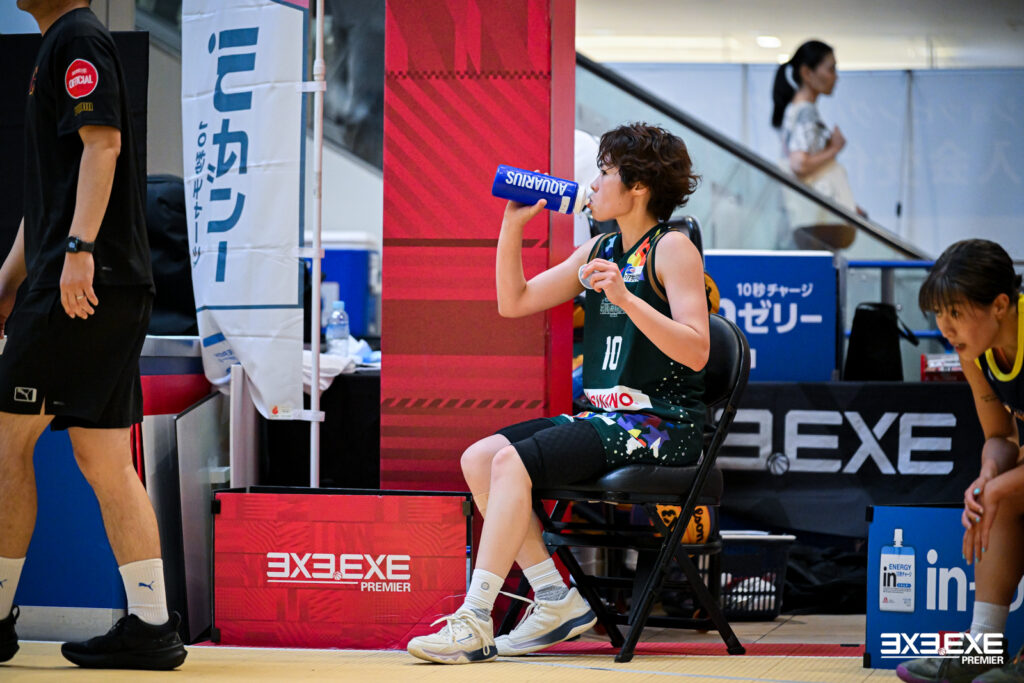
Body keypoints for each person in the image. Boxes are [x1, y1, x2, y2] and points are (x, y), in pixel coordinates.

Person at [406, 122, 709, 664]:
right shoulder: (601, 246)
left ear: (638, 186)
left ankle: (475, 619)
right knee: (480, 458)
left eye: (605, 171)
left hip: (660, 425)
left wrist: (625, 296)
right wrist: (512, 226)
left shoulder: (674, 248)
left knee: (511, 464)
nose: (592, 183)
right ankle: (554, 598)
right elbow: (515, 302)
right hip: (607, 419)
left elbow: (697, 351)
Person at [0, 0, 186, 670]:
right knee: (104, 457)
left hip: (81, 285)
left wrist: (78, 251)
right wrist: (9, 281)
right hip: (95, 283)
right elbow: (49, 198)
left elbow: (102, 144)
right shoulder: (60, 43)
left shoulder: (77, 38)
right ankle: (152, 625)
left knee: (5, 441)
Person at [897, 239, 1023, 683]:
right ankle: (983, 647)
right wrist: (989, 475)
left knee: (1003, 492)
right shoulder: (975, 350)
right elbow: (1000, 436)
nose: (944, 327)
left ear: (1000, 305)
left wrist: (1002, 485)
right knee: (994, 498)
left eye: (955, 311)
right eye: (939, 312)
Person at [771, 40, 860, 247]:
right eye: (831, 69)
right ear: (807, 73)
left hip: (810, 220)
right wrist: (834, 149)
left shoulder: (796, 110)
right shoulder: (806, 111)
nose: (836, 77)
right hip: (816, 220)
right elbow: (799, 164)